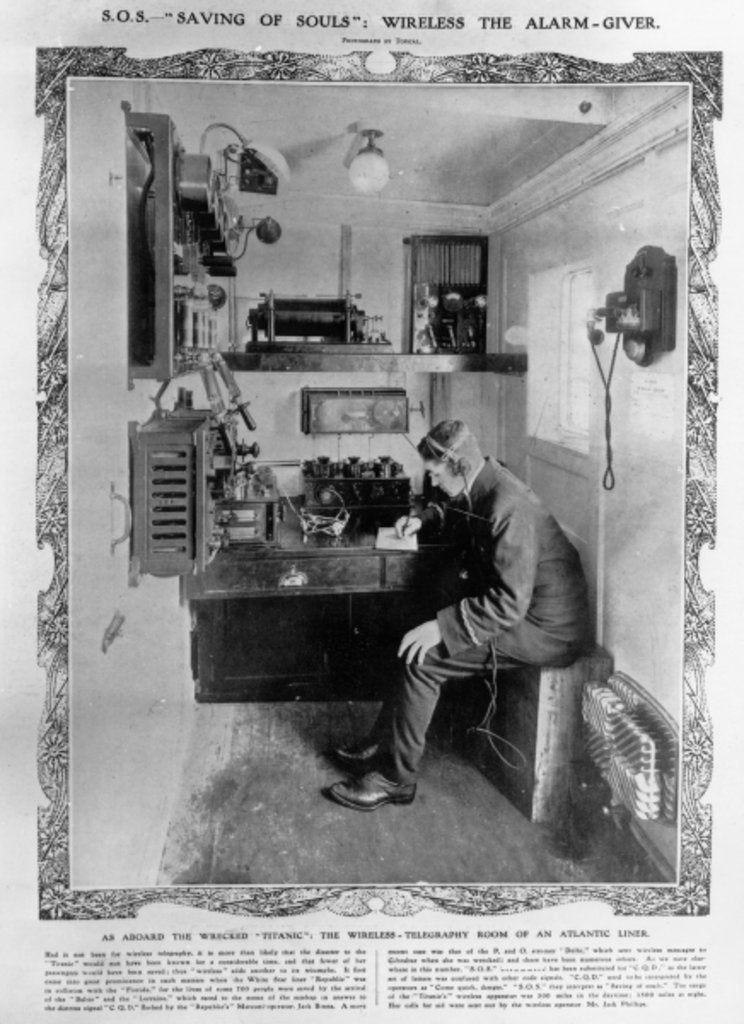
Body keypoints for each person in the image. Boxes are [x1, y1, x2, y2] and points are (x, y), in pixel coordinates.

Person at [323, 419, 593, 812]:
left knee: (424, 660)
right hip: (527, 612)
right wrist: (422, 519)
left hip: (546, 628)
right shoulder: (488, 478)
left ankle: (396, 779)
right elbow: (458, 505)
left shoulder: (509, 508)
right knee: (415, 632)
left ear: (458, 466)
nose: (431, 480)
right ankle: (384, 740)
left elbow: (508, 604)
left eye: (434, 472)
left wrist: (443, 627)